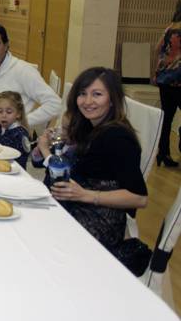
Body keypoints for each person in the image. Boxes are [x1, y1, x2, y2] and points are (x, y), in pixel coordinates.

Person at [50, 67, 148, 273]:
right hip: (78, 210)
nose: (88, 101)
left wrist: (86, 195)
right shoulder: (90, 127)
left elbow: (140, 198)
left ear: (112, 99)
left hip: (99, 223)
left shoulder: (117, 137)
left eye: (97, 94)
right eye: (82, 93)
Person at [0, 23, 61, 129]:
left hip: (16, 135)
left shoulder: (23, 71)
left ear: (6, 45)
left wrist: (20, 123)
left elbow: (55, 104)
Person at [154, 0, 181, 167]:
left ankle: (163, 153)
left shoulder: (170, 27)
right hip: (178, 81)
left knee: (167, 118)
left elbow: (157, 49)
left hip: (165, 79)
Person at [0, 91, 31, 168]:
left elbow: (17, 158)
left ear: (18, 114)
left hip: (14, 169)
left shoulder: (20, 134)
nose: (4, 115)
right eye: (0, 111)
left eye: (9, 112)